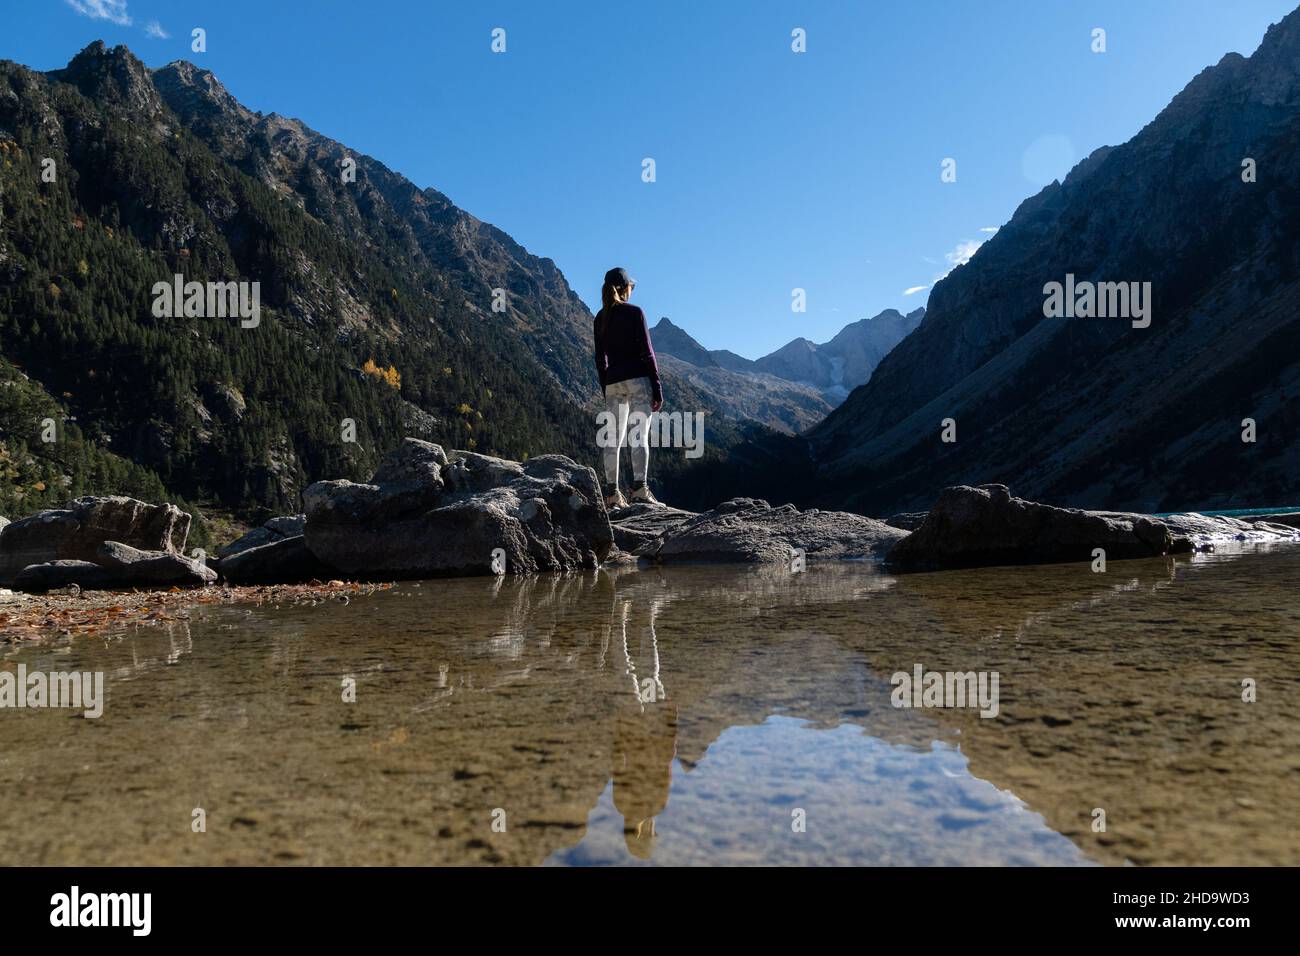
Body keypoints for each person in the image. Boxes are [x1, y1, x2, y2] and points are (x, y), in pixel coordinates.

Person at [592, 267, 663, 509]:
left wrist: (606, 387)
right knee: (638, 436)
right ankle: (640, 490)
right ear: (625, 289)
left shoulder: (600, 318)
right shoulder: (635, 313)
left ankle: (612, 495)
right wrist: (657, 388)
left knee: (612, 438)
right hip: (638, 380)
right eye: (630, 287)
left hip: (613, 383)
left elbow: (600, 360)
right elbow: (648, 353)